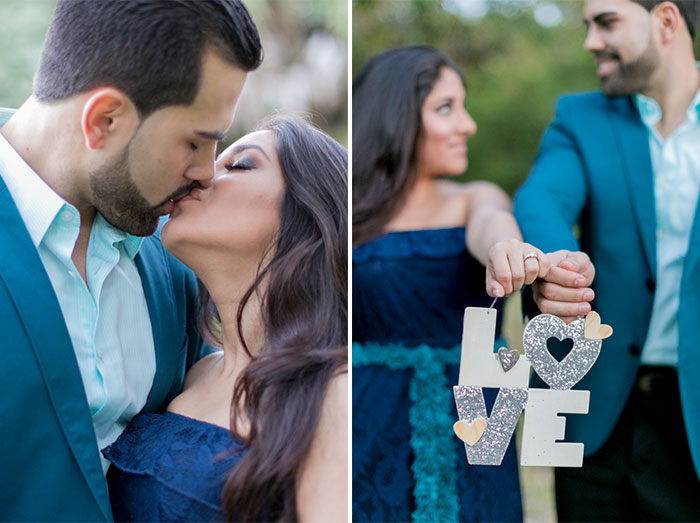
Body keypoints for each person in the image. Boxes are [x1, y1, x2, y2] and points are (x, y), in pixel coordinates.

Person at [0, 1, 262, 520]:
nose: (208, 173)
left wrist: (477, 448)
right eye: (196, 140)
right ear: (104, 120)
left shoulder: (176, 260)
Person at [351, 45, 591, 522]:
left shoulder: (474, 198)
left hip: (475, 418)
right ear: (395, 116)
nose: (468, 125)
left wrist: (509, 250)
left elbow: (493, 225)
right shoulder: (346, 213)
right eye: (446, 108)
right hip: (365, 414)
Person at [100, 116, 348, 522]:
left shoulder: (332, 392)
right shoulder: (198, 373)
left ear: (312, 215)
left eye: (240, 164)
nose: (199, 177)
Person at [514, 0, 700, 520]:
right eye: (587, 25)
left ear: (665, 21)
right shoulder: (579, 116)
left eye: (607, 22)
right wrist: (561, 262)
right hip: (596, 416)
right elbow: (542, 198)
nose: (591, 40)